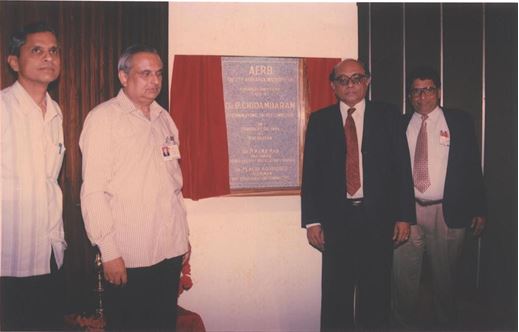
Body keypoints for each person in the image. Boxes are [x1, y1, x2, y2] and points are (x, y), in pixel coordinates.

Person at [79, 45, 190, 330]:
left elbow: (173, 184)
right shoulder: (104, 119)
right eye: (145, 73)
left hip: (169, 249)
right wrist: (109, 250)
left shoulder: (164, 118)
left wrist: (183, 236)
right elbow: (93, 191)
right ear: (123, 76)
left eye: (158, 74)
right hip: (129, 255)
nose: (154, 81)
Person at [301, 58, 415, 331]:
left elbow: (402, 168)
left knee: (376, 296)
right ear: (333, 86)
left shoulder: (388, 116)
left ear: (367, 81)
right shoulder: (320, 120)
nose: (350, 85)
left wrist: (404, 216)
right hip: (336, 222)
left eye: (357, 78)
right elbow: (311, 175)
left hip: (378, 219)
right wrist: (312, 220)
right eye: (343, 80)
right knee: (335, 296)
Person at [392, 66, 486, 329]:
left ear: (439, 92)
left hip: (447, 212)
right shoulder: (399, 125)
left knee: (446, 283)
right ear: (409, 95)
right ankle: (401, 325)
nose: (422, 97)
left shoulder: (458, 121)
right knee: (403, 281)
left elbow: (471, 166)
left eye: (428, 89)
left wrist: (479, 207)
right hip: (406, 214)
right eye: (416, 91)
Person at [0, 22, 66, 330]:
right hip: (9, 257)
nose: (48, 58)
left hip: (49, 252)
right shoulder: (3, 108)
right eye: (36, 50)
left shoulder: (55, 112)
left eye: (53, 51)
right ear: (14, 62)